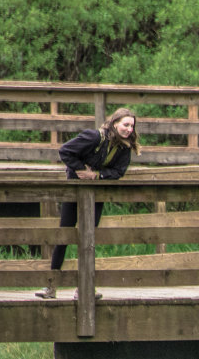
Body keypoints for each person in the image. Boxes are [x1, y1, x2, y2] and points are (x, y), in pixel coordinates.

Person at [37, 107, 139, 298]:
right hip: (74, 191)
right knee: (64, 237)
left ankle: (84, 288)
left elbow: (118, 173)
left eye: (131, 126)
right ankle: (50, 287)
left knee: (88, 239)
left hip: (95, 194)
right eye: (126, 125)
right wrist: (80, 170)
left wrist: (96, 175)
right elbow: (65, 151)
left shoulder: (124, 148)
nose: (128, 129)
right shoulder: (93, 137)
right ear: (115, 123)